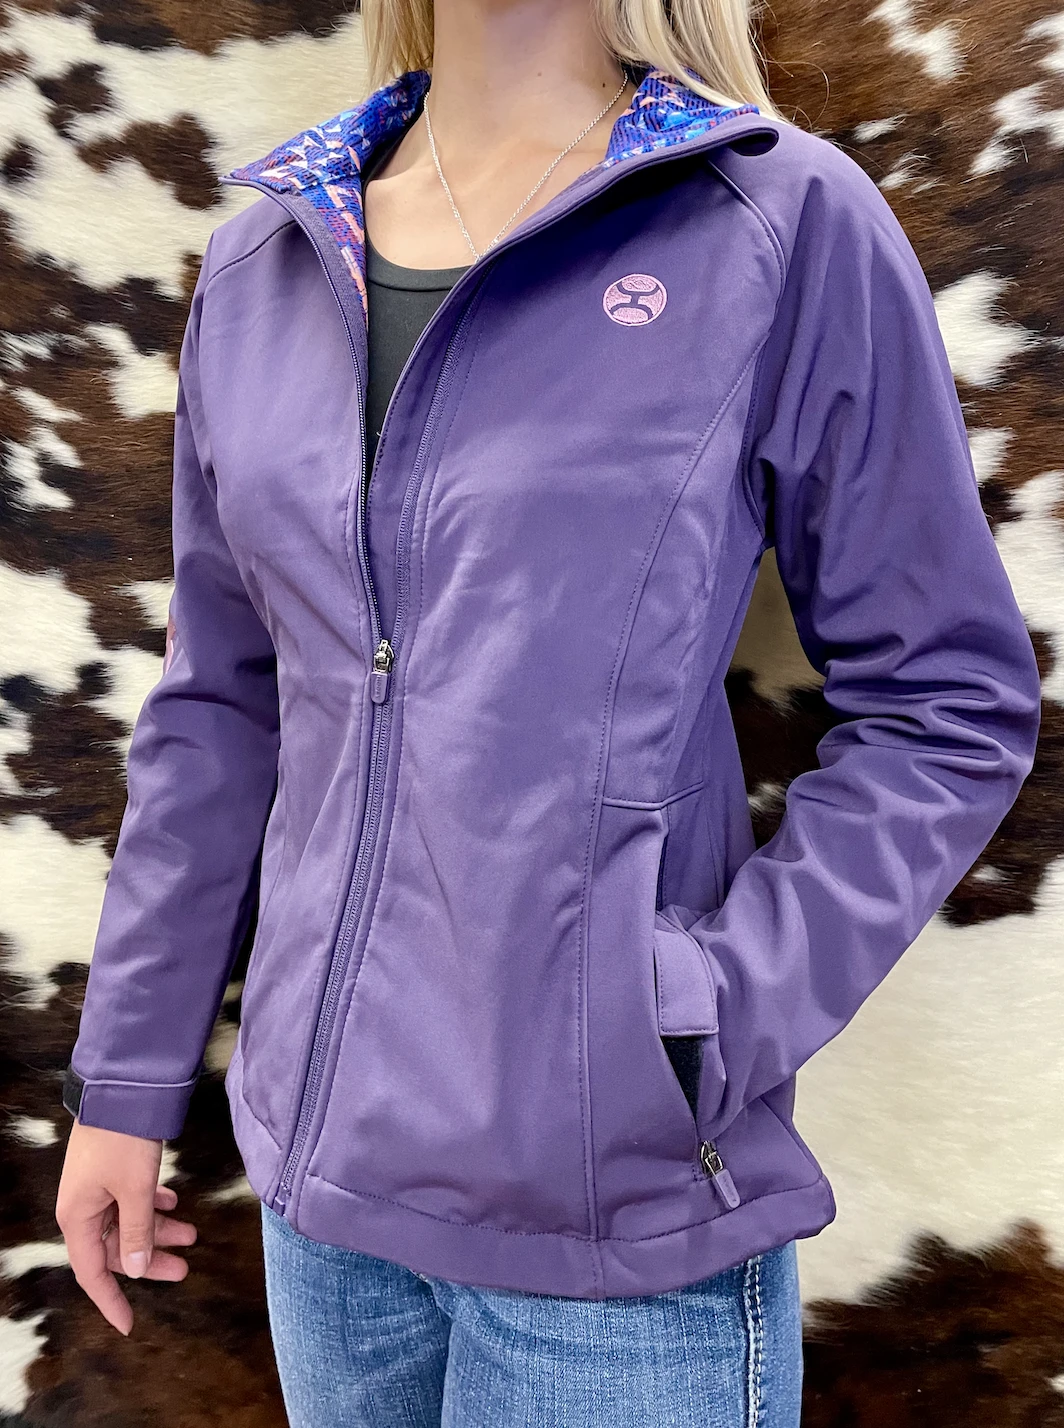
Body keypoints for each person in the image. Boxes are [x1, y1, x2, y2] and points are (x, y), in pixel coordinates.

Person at [53, 0, 1042, 1417]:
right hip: (321, 1211)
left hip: (611, 1231)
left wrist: (697, 1022)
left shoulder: (773, 221)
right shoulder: (269, 252)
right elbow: (221, 704)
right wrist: (125, 1083)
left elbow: (946, 697)